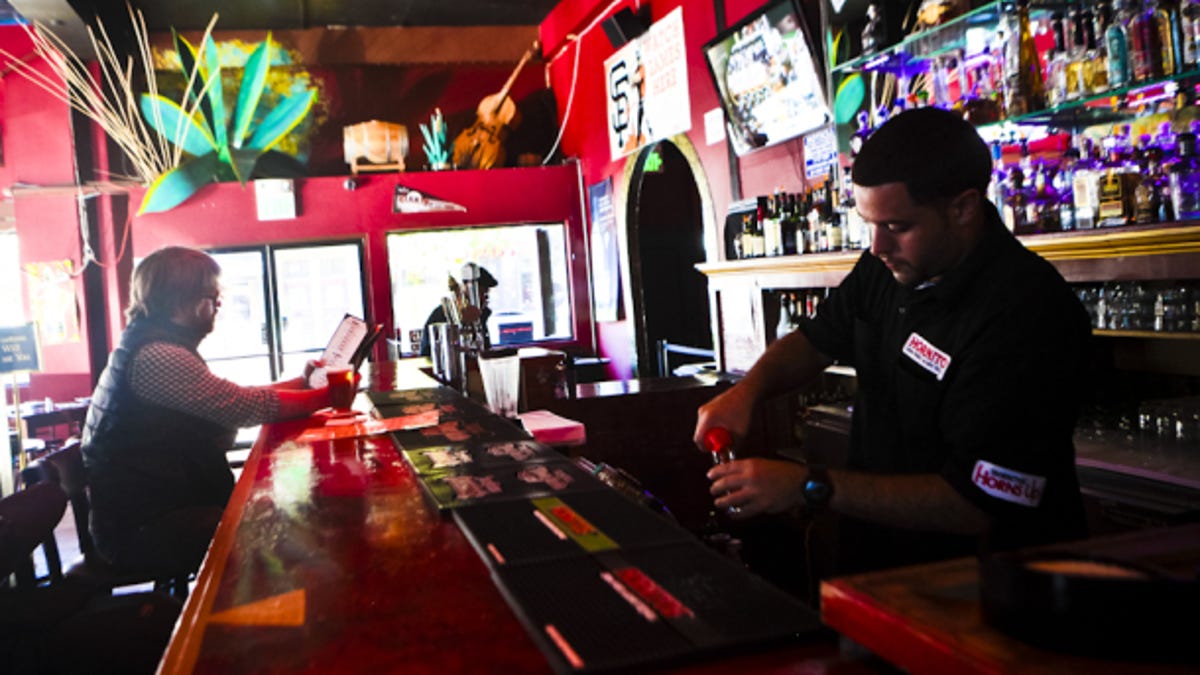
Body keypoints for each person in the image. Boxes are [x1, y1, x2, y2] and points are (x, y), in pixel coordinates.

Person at [694, 107, 1091, 578]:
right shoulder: (889, 266)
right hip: (881, 568)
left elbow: (980, 504)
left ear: (963, 208)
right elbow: (818, 339)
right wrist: (748, 392)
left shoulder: (1025, 313)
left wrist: (809, 485)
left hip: (989, 589)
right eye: (869, 224)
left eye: (896, 227)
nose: (877, 246)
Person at [81, 246, 333, 576]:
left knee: (281, 513)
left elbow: (232, 399)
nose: (217, 305)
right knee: (289, 524)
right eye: (212, 296)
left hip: (152, 509)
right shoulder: (158, 355)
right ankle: (271, 618)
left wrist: (303, 383)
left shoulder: (149, 344)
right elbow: (244, 408)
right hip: (144, 530)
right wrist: (326, 396)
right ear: (183, 300)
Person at [418, 263, 498, 357]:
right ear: (464, 288)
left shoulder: (481, 316)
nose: (484, 300)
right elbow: (429, 353)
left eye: (486, 296)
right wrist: (462, 324)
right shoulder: (442, 314)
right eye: (481, 294)